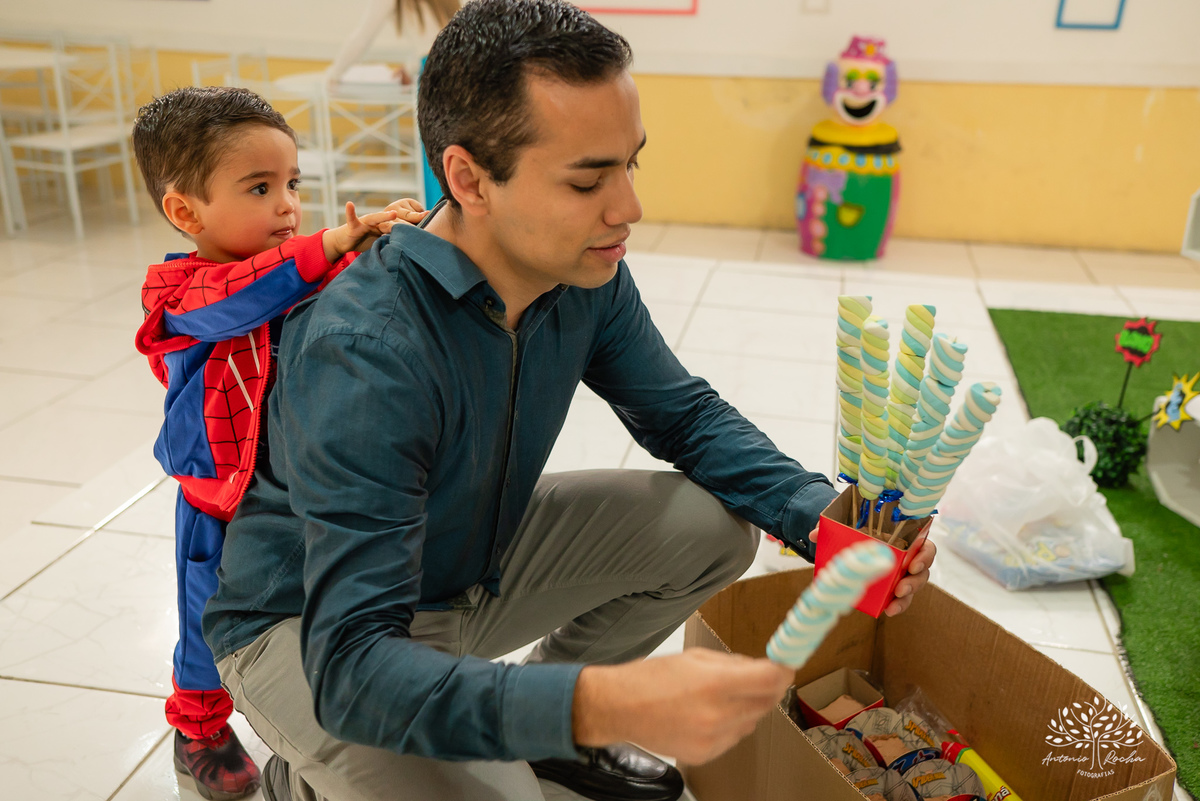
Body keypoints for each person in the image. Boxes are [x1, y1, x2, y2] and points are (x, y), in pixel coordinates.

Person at [203, 3, 938, 801]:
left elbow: (682, 415)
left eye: (631, 165)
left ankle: (542, 737)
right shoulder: (367, 350)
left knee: (709, 526)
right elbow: (353, 666)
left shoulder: (582, 275)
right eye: (588, 179)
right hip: (316, 631)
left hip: (462, 569)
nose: (628, 208)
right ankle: (302, 778)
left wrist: (820, 514)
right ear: (468, 178)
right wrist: (603, 699)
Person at [130, 85, 426, 801]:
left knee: (305, 607)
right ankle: (199, 727)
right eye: (260, 187)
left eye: (292, 183)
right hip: (216, 502)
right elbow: (240, 295)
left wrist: (390, 245)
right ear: (185, 211)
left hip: (294, 491)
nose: (288, 204)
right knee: (208, 625)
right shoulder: (178, 293)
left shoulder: (293, 268)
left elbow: (335, 293)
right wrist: (327, 246)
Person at [324, 0, 459, 87]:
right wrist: (409, 68)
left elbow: (361, 39)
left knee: (436, 130)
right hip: (463, 63)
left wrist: (333, 75)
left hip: (434, 70)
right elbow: (436, 38)